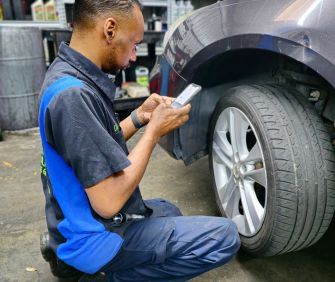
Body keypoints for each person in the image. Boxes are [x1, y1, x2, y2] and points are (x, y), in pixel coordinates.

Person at [38, 0, 240, 281]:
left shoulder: (66, 76)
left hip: (73, 217)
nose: (134, 56)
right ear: (110, 29)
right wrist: (154, 132)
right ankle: (102, 274)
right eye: (133, 43)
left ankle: (65, 254)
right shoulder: (73, 97)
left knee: (169, 211)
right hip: (95, 236)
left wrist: (139, 117)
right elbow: (108, 202)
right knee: (225, 237)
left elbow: (93, 143)